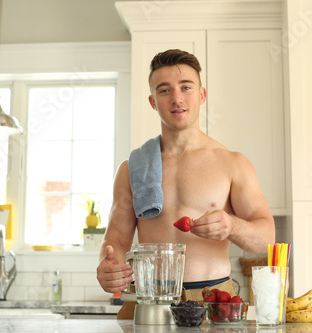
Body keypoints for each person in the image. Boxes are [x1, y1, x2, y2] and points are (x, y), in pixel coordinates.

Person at [96, 49, 275, 319]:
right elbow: (116, 240)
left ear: (201, 95)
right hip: (149, 303)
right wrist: (108, 265)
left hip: (213, 302)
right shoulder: (133, 168)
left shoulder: (232, 163)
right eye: (164, 90)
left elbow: (267, 238)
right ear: (153, 101)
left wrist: (232, 225)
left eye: (186, 87)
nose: (177, 99)